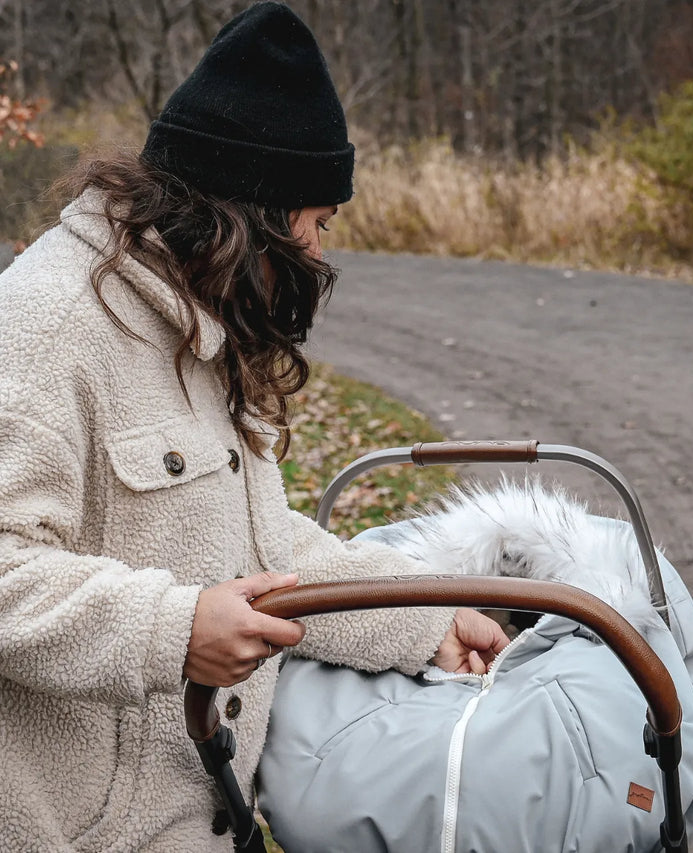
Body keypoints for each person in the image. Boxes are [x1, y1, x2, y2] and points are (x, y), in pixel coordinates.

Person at [0, 3, 509, 850]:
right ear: (256, 213)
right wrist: (172, 631)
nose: (320, 255)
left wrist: (427, 621)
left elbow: (263, 546)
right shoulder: (48, 325)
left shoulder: (199, 321)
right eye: (318, 223)